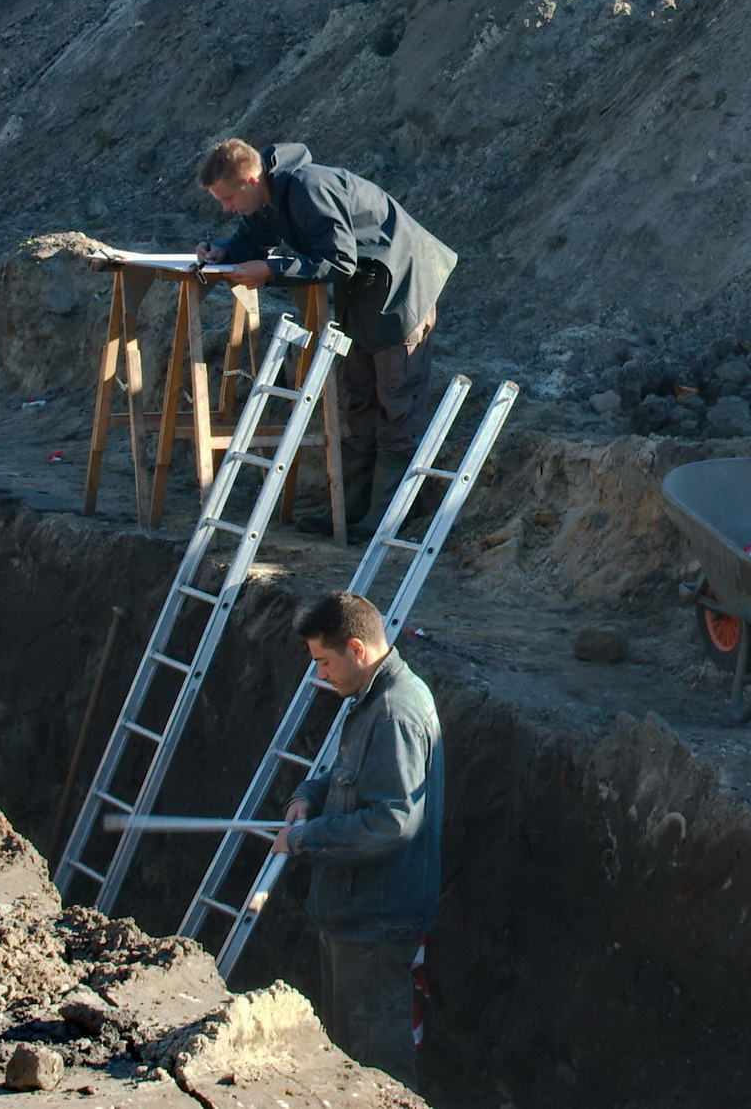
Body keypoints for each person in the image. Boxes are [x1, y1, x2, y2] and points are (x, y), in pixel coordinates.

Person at [195, 138, 455, 533]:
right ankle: (349, 513)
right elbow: (253, 236)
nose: (226, 208)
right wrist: (223, 251)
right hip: (366, 289)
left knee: (396, 399)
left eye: (229, 198)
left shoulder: (308, 189)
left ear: (250, 179)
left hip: (402, 286)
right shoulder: (270, 194)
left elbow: (338, 259)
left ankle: (387, 519)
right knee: (362, 396)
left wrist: (272, 272)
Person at [272, 590, 443, 1086]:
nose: (320, 674)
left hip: (376, 923)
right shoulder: (371, 700)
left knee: (377, 1067)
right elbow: (349, 777)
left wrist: (304, 838)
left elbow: (392, 821)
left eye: (325, 662)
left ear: (357, 648)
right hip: (354, 917)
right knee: (348, 1055)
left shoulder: (394, 715)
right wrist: (307, 795)